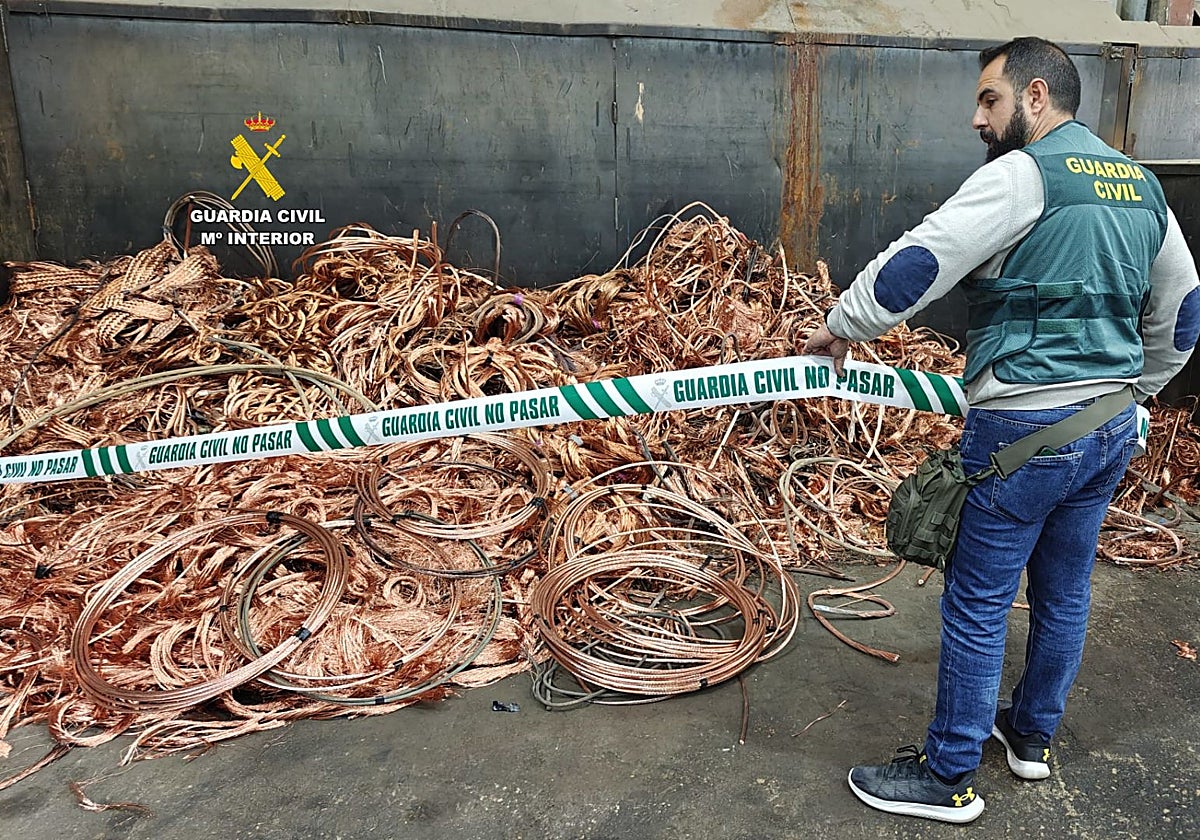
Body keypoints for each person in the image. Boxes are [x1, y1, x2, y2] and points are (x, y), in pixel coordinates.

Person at [802, 36, 1200, 824]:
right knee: (1063, 590)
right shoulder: (1141, 184)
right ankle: (1029, 738)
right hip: (1108, 426)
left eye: (991, 99)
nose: (977, 117)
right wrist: (1138, 390)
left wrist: (844, 324)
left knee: (980, 602)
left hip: (1024, 429)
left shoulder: (1025, 174)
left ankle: (948, 773)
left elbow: (921, 260)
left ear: (1038, 96)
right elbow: (1185, 311)